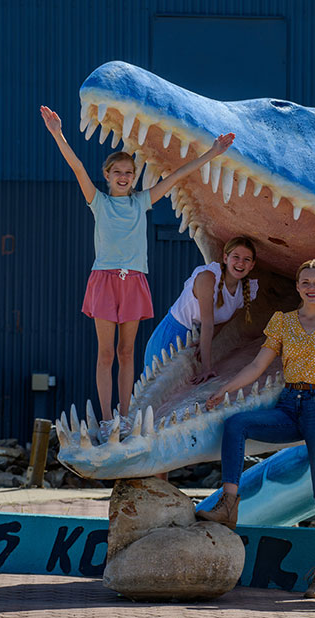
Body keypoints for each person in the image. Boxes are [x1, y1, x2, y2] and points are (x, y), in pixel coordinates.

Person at [39, 104, 234, 432]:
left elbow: (176, 177)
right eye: (118, 172)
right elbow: (76, 167)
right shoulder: (98, 202)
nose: (124, 177)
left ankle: (126, 417)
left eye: (129, 173)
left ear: (133, 177)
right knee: (106, 354)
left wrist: (213, 153)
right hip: (104, 280)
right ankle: (105, 420)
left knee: (127, 351)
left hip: (134, 282)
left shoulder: (141, 201)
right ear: (108, 176)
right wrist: (58, 133)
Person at [198, 260, 315, 599]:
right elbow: (257, 365)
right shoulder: (282, 321)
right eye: (304, 281)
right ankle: (229, 502)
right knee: (236, 423)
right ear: (297, 287)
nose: (311, 286)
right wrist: (223, 391)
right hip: (289, 405)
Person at [143, 236, 259, 383]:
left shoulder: (245, 292)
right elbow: (208, 323)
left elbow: (222, 322)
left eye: (247, 259)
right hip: (170, 337)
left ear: (252, 265)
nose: (240, 263)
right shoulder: (208, 277)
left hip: (192, 338)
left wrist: (201, 341)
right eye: (236, 257)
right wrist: (206, 369)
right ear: (225, 258)